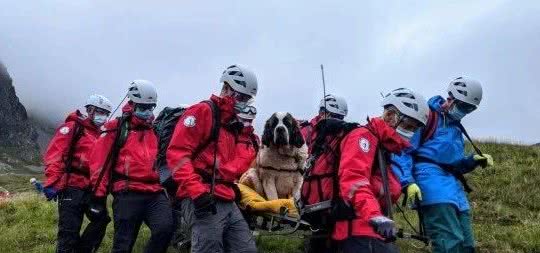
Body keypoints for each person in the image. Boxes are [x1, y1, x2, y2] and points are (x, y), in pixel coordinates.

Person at [300, 88, 429, 253]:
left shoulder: (383, 146)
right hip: (359, 229)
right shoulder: (363, 138)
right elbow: (354, 180)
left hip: (367, 228)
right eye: (407, 125)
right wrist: (375, 215)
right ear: (390, 115)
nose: (410, 132)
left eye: (414, 129)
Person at [395, 77, 494, 253]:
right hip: (432, 186)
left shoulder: (456, 128)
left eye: (469, 109)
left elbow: (453, 165)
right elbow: (403, 151)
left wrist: (472, 161)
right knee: (449, 242)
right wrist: (407, 181)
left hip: (455, 191)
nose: (465, 112)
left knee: (466, 245)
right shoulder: (426, 118)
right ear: (451, 99)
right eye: (463, 106)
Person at [167, 64, 259, 253]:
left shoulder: (232, 124)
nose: (243, 103)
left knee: (246, 249)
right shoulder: (203, 112)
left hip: (226, 196)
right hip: (201, 197)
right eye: (240, 97)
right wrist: (197, 192)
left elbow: (236, 166)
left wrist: (246, 137)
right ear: (226, 89)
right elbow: (177, 154)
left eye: (247, 100)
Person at [89, 80, 173, 253]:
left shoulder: (154, 130)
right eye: (143, 107)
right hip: (127, 192)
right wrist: (98, 196)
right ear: (132, 103)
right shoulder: (116, 127)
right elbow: (100, 163)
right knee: (123, 244)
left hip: (154, 192)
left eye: (151, 107)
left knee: (165, 229)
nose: (148, 111)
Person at [43, 94, 112, 253]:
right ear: (91, 110)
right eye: (101, 112)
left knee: (101, 220)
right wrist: (53, 182)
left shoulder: (102, 134)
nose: (104, 116)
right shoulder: (73, 127)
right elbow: (56, 154)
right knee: (69, 232)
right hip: (71, 187)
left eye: (106, 113)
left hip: (92, 189)